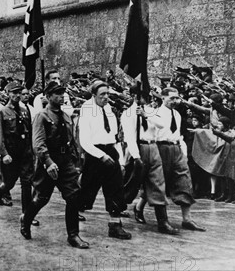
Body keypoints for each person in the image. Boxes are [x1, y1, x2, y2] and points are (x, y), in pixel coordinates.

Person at [20, 82, 88, 248]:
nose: (61, 96)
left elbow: (71, 141)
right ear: (48, 97)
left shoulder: (65, 116)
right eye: (57, 93)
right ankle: (26, 221)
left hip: (65, 163)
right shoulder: (42, 116)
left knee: (73, 196)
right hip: (48, 163)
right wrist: (48, 162)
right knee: (42, 198)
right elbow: (38, 143)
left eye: (62, 92)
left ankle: (73, 235)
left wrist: (75, 162)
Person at [78, 81, 131, 240]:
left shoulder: (109, 109)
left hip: (111, 151)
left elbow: (115, 138)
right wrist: (100, 155)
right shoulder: (86, 110)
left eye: (108, 94)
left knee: (115, 189)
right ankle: (75, 215)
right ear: (93, 95)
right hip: (94, 154)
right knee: (87, 190)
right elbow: (84, 140)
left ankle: (115, 225)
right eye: (102, 95)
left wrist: (120, 161)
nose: (106, 97)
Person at [123, 92, 179, 234]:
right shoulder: (128, 114)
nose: (148, 99)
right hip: (138, 148)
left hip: (153, 147)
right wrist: (136, 157)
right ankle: (116, 214)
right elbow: (130, 137)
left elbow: (161, 125)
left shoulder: (151, 111)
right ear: (135, 96)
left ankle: (163, 222)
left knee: (158, 183)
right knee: (130, 185)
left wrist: (146, 115)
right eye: (143, 96)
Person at [151, 87, 205, 231]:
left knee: (184, 181)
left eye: (177, 98)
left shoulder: (177, 114)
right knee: (158, 183)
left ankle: (187, 219)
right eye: (172, 98)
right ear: (163, 98)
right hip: (160, 149)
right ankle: (162, 221)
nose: (175, 101)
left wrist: (183, 153)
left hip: (176, 149)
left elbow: (178, 135)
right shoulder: (155, 113)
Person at [0, 82, 35, 226]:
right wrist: (4, 153)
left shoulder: (25, 110)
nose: (16, 96)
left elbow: (29, 132)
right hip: (11, 153)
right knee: (8, 184)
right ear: (8, 94)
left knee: (27, 183)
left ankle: (26, 215)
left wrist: (32, 151)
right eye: (13, 93)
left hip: (25, 152)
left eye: (19, 93)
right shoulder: (2, 112)